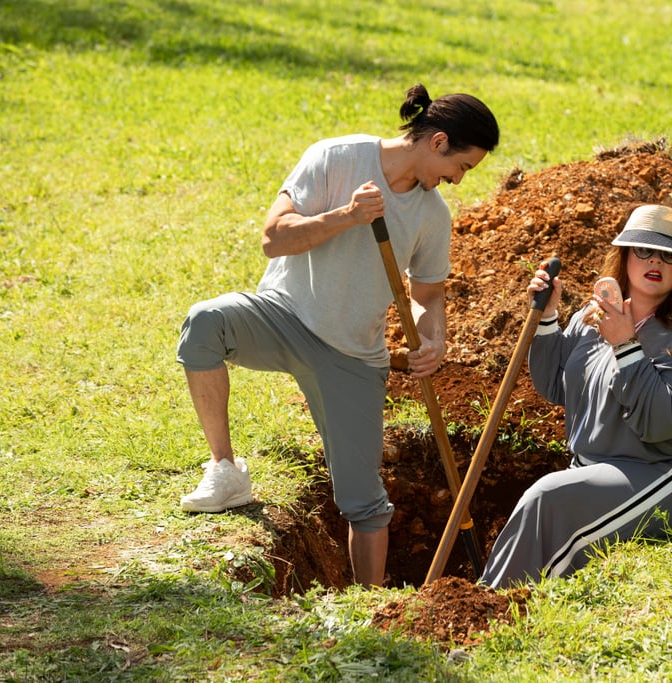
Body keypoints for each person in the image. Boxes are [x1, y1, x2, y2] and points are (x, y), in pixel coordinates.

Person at [176, 84, 499, 587]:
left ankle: (369, 606)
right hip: (282, 315)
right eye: (463, 167)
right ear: (437, 143)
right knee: (204, 324)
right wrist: (346, 216)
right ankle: (226, 470)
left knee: (365, 503)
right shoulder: (334, 157)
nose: (458, 180)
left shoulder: (432, 215)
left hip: (352, 355)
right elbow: (273, 238)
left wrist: (432, 339)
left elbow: (428, 296)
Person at [480, 204, 672, 588]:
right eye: (644, 250)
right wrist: (548, 318)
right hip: (604, 467)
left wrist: (626, 346)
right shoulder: (594, 314)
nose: (656, 262)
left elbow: (658, 424)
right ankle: (481, 602)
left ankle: (494, 609)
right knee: (547, 498)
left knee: (547, 496)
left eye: (669, 255)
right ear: (625, 256)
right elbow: (554, 386)